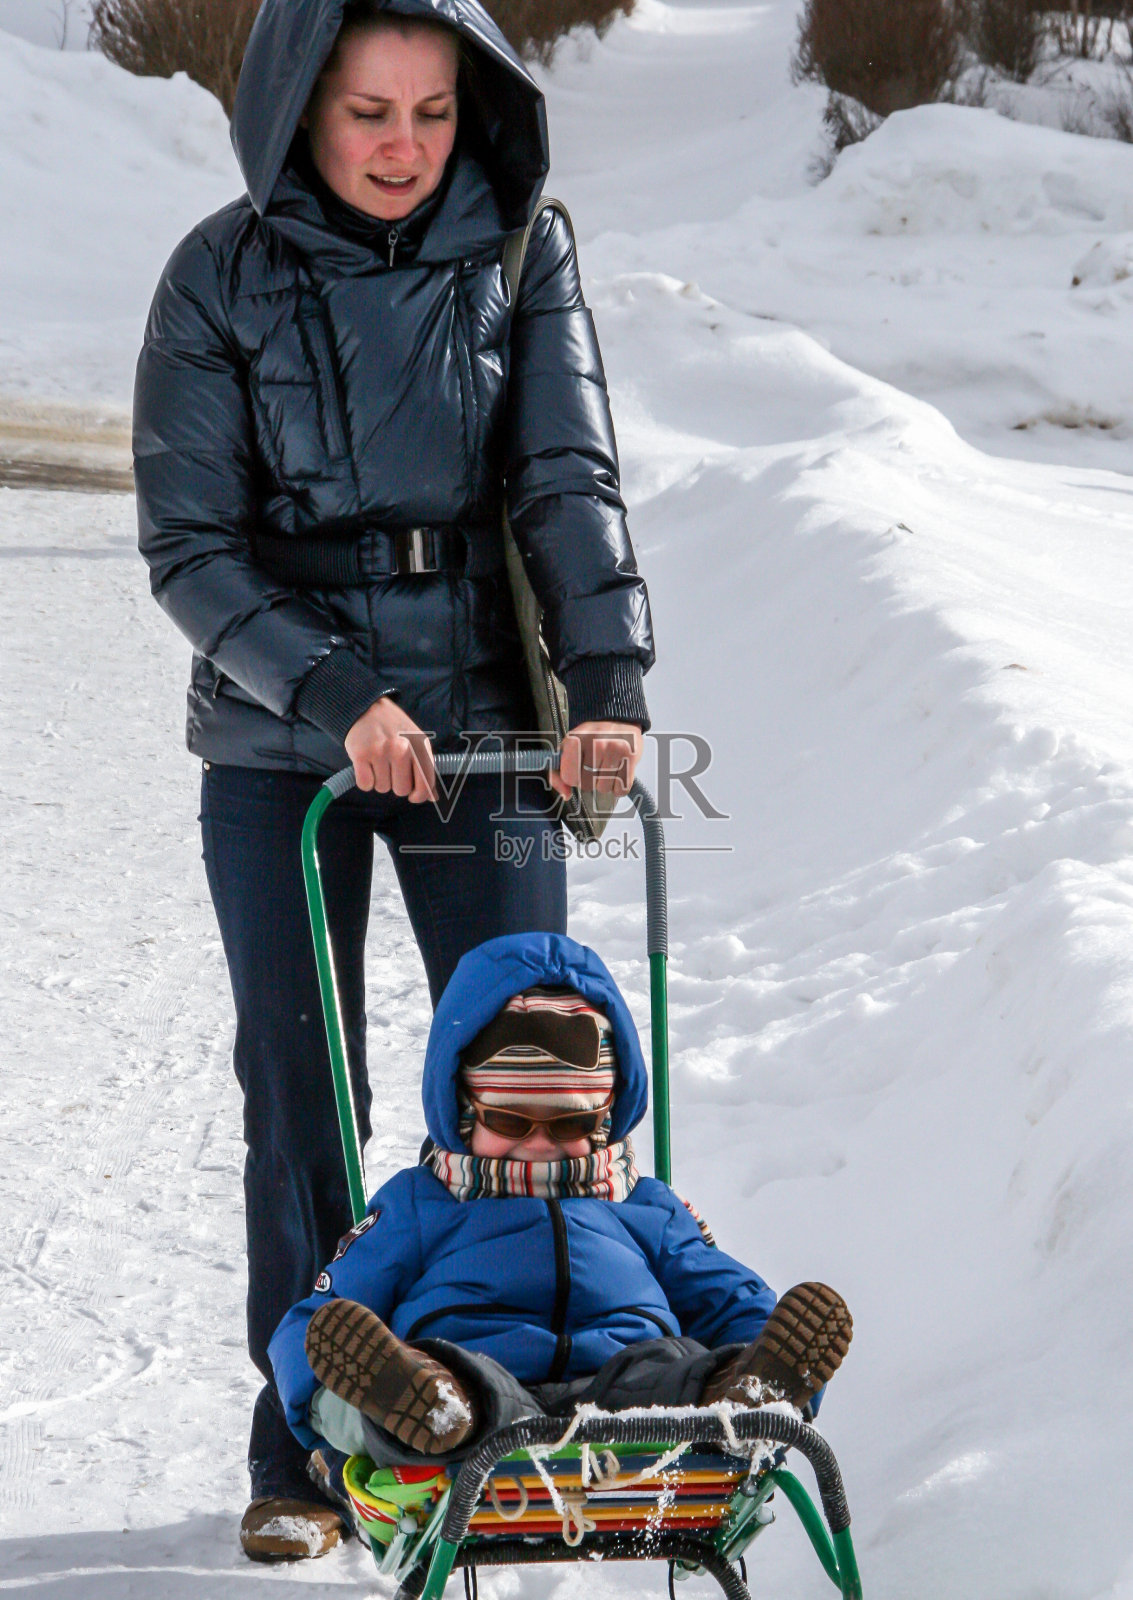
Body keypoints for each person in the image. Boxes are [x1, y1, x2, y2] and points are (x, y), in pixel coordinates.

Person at [133, 0, 655, 1552]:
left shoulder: (517, 251)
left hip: (485, 723)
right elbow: (190, 546)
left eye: (432, 114)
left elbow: (565, 472)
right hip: (278, 740)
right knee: (301, 1086)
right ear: (299, 105)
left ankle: (514, 1398)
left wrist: (609, 681)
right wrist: (337, 688)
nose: (402, 148)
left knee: (530, 1069)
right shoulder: (216, 274)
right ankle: (303, 1436)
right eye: (369, 112)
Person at [267, 933, 853, 1559]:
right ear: (465, 1111)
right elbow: (313, 1327)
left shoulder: (642, 1205)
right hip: (478, 1401)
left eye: (569, 1124)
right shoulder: (421, 1203)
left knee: (673, 1367)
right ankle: (430, 1404)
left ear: (603, 1119)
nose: (540, 1144)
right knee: (444, 1395)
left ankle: (739, 1397)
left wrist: (767, 1356)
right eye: (511, 1122)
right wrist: (334, 1413)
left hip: (636, 1417)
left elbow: (730, 1297)